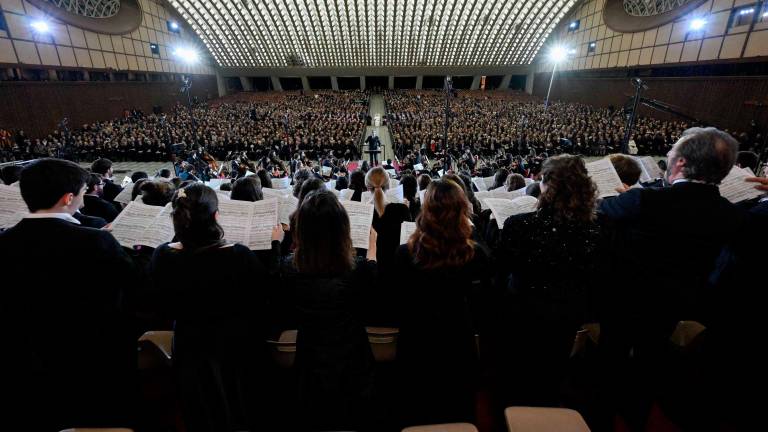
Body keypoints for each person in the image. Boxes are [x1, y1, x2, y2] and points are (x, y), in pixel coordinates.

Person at [598, 127, 745, 430]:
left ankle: (598, 416)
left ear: (680, 164)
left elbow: (600, 210)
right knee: (649, 361)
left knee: (611, 361)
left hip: (624, 300)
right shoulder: (733, 215)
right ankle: (635, 415)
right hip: (676, 306)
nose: (667, 158)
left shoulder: (644, 201)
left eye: (670, 155)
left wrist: (628, 199)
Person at [0, 158, 137, 430]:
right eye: (83, 194)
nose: (84, 202)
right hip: (91, 360)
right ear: (68, 198)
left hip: (24, 363)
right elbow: (133, 286)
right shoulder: (95, 240)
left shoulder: (5, 242)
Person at [148, 183, 282, 432]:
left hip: (190, 348)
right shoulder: (239, 255)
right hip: (235, 347)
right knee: (238, 411)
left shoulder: (162, 255)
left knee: (201, 413)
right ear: (216, 216)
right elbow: (266, 293)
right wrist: (275, 245)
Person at [492, 154, 604, 407]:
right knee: (553, 371)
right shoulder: (598, 229)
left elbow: (499, 272)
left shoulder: (519, 224)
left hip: (522, 312)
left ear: (546, 185)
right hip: (568, 313)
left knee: (519, 374)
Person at [393, 179, 491, 427]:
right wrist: (471, 227)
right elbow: (490, 271)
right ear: (462, 210)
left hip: (417, 339)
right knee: (457, 411)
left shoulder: (405, 253)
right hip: (457, 338)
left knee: (418, 412)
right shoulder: (473, 254)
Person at [278, 190, 377, 431]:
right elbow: (373, 288)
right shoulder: (358, 271)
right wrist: (373, 247)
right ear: (343, 229)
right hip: (354, 365)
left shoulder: (289, 269)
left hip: (309, 365)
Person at [366, 167, 411, 273]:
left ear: (368, 187)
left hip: (373, 270)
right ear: (388, 186)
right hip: (398, 270)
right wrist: (405, 211)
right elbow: (407, 241)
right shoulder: (401, 209)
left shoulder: (363, 212)